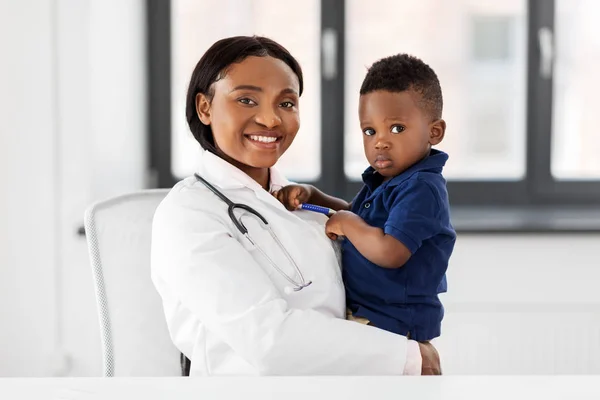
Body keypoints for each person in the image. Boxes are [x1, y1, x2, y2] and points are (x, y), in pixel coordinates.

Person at [151, 35, 441, 376]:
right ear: (205, 108)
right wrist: (408, 358)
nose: (271, 120)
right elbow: (269, 339)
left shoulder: (297, 202)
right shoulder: (188, 214)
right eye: (246, 100)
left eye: (286, 103)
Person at [274, 54, 455, 345]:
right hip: (370, 316)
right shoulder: (386, 179)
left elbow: (390, 250)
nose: (380, 141)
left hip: (395, 326)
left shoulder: (422, 187)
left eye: (397, 128)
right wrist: (314, 195)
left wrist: (347, 223)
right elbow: (360, 220)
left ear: (434, 132)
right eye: (369, 131)